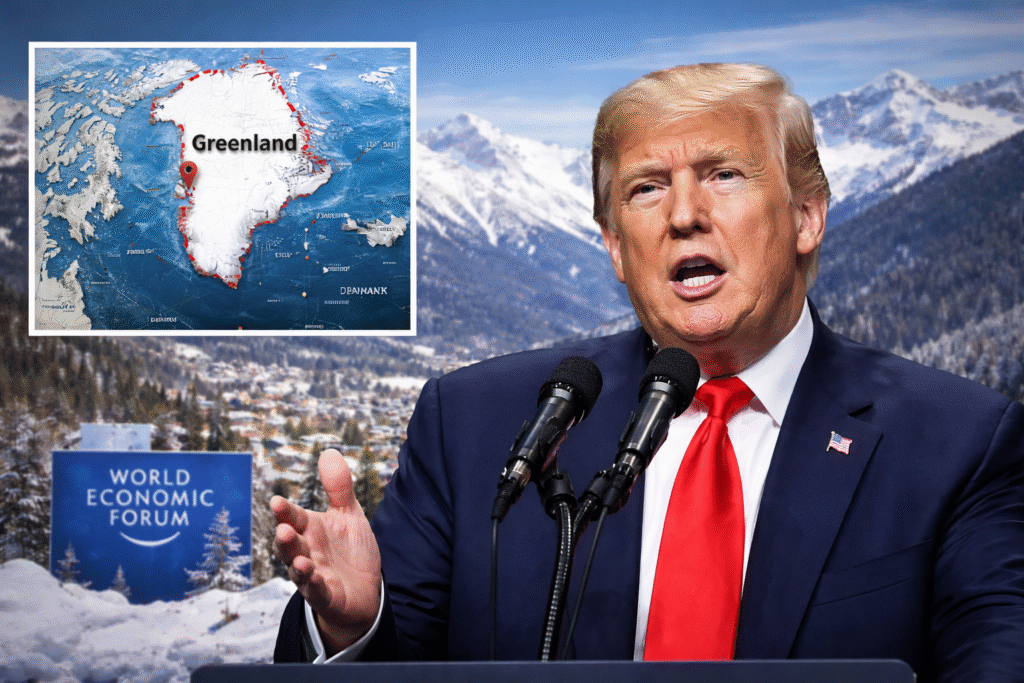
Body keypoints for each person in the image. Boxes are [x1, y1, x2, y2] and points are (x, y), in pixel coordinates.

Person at [273, 64, 1024, 681]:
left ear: (805, 215)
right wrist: (354, 623)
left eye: (724, 174)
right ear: (614, 246)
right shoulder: (477, 423)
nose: (683, 214)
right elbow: (387, 666)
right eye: (646, 187)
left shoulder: (959, 444)